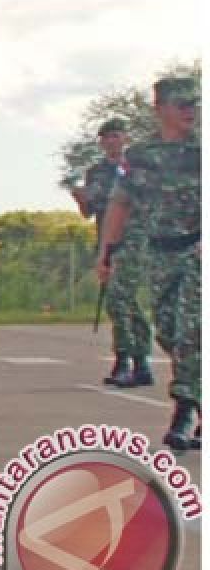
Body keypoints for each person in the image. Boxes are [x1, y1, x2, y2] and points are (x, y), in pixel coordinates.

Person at [98, 77, 201, 453]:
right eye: (181, 104)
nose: (190, 111)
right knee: (169, 331)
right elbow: (120, 204)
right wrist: (106, 253)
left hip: (197, 251)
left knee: (192, 327)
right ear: (160, 109)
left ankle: (185, 409)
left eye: (194, 103)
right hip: (160, 252)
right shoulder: (138, 156)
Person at [71, 118, 152, 386]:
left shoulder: (137, 167)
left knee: (119, 299)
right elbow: (89, 211)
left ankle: (125, 359)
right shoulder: (96, 172)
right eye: (106, 137)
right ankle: (141, 362)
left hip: (134, 239)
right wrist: (80, 197)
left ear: (125, 138)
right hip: (108, 240)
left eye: (116, 136)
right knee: (124, 300)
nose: (112, 141)